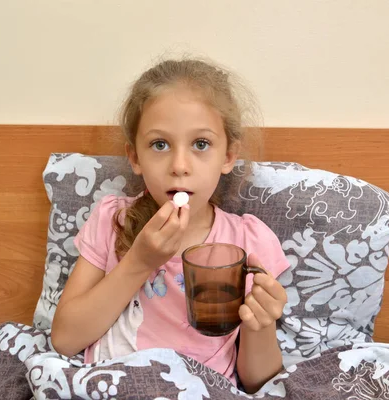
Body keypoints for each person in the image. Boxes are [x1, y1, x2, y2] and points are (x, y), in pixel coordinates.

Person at [50, 58, 290, 393]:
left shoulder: (248, 242)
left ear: (228, 156)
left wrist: (260, 325)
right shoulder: (112, 221)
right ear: (135, 157)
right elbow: (64, 339)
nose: (179, 166)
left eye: (201, 144)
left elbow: (257, 382)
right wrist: (138, 262)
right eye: (159, 144)